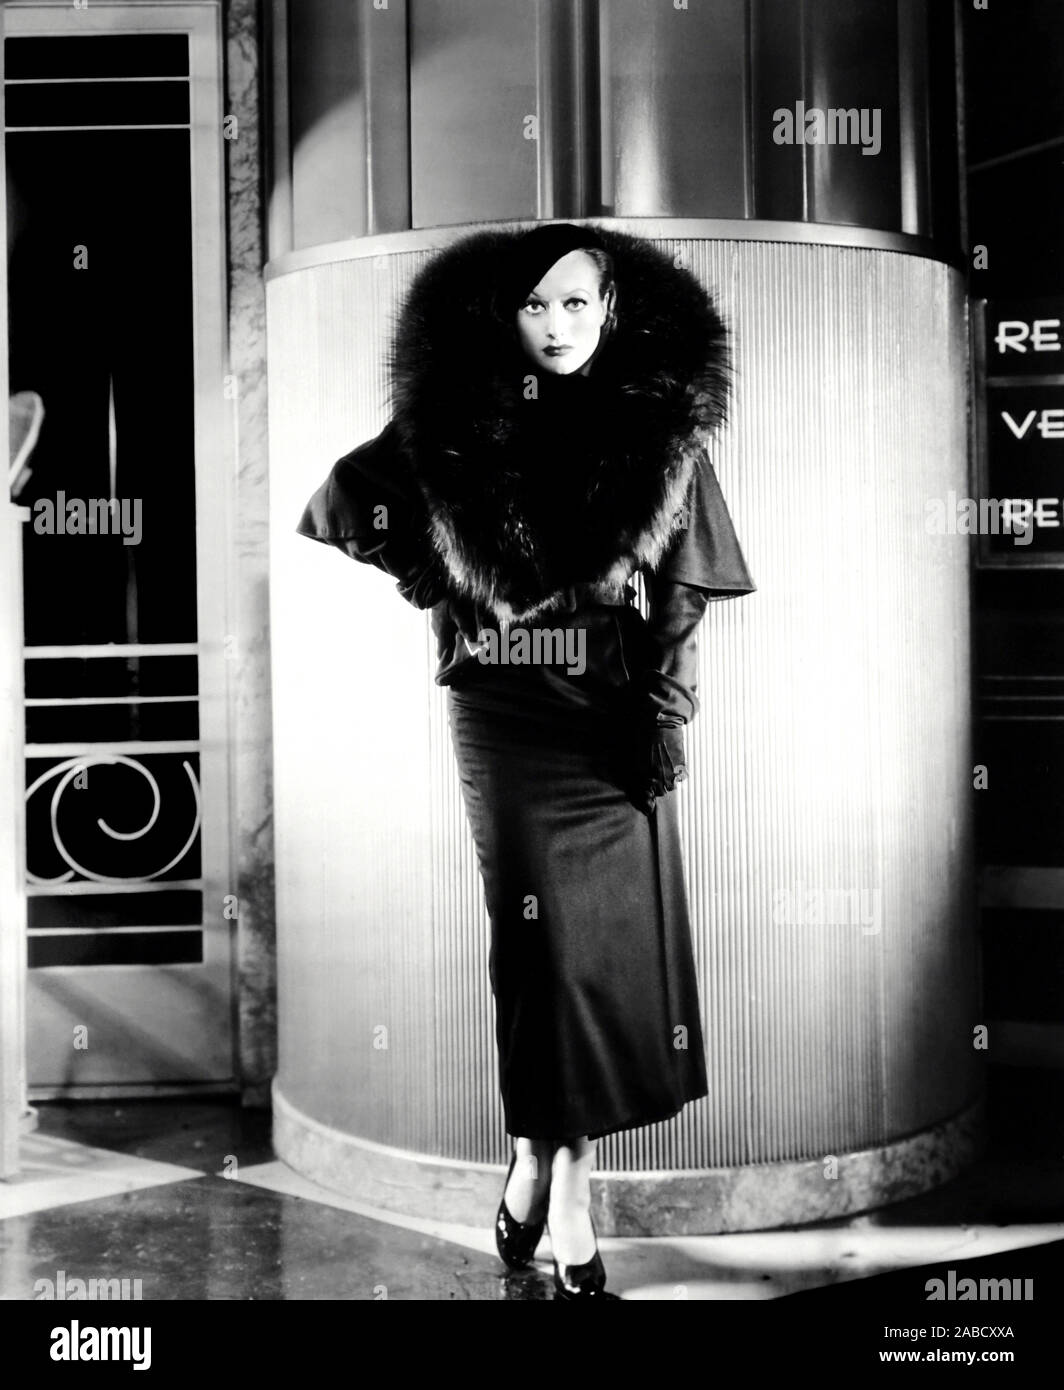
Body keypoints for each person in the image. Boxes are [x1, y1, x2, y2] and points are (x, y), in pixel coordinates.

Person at [297, 222, 756, 1299]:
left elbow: (686, 596)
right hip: (505, 717)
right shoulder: (453, 418)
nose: (555, 327)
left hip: (613, 718)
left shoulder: (662, 426)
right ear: (505, 313)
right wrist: (440, 585)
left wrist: (666, 714)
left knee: (604, 962)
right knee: (537, 946)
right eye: (534, 306)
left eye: (575, 305)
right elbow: (341, 505)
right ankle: (562, 1180)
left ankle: (545, 1162)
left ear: (610, 311)